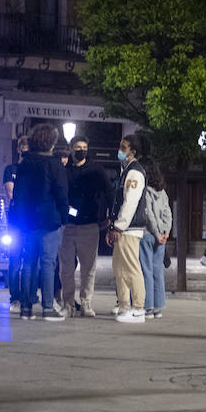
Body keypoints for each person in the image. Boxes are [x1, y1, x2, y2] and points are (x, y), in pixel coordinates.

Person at [11, 124, 68, 321]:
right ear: (51, 141)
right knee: (47, 263)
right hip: (49, 220)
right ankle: (47, 307)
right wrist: (64, 217)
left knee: (28, 263)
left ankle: (25, 308)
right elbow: (61, 193)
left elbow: (18, 195)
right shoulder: (54, 165)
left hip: (26, 221)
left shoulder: (24, 164)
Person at [60, 136, 111, 317]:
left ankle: (86, 303)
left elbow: (108, 191)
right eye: (77, 147)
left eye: (84, 147)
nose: (80, 150)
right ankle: (68, 304)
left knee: (88, 269)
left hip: (89, 225)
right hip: (68, 226)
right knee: (66, 268)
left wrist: (108, 216)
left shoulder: (96, 170)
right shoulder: (64, 171)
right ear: (71, 149)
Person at [107, 132, 149, 323]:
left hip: (129, 229)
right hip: (124, 228)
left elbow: (130, 202)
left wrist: (119, 226)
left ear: (133, 152)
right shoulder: (127, 170)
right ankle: (124, 304)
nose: (120, 151)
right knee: (119, 268)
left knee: (131, 268)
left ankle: (138, 308)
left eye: (123, 148)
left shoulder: (134, 173)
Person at [140, 161, 173, 320]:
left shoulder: (145, 192)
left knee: (146, 270)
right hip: (161, 237)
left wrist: (156, 232)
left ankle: (148, 307)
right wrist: (165, 232)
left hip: (148, 235)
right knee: (157, 271)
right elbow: (168, 213)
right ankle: (158, 308)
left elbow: (148, 215)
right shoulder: (163, 192)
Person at [4, 134, 30, 312]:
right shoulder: (11, 169)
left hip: (31, 221)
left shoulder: (35, 170)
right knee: (14, 261)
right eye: (24, 148)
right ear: (19, 149)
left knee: (30, 261)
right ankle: (15, 298)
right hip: (15, 221)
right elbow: (11, 193)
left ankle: (29, 296)